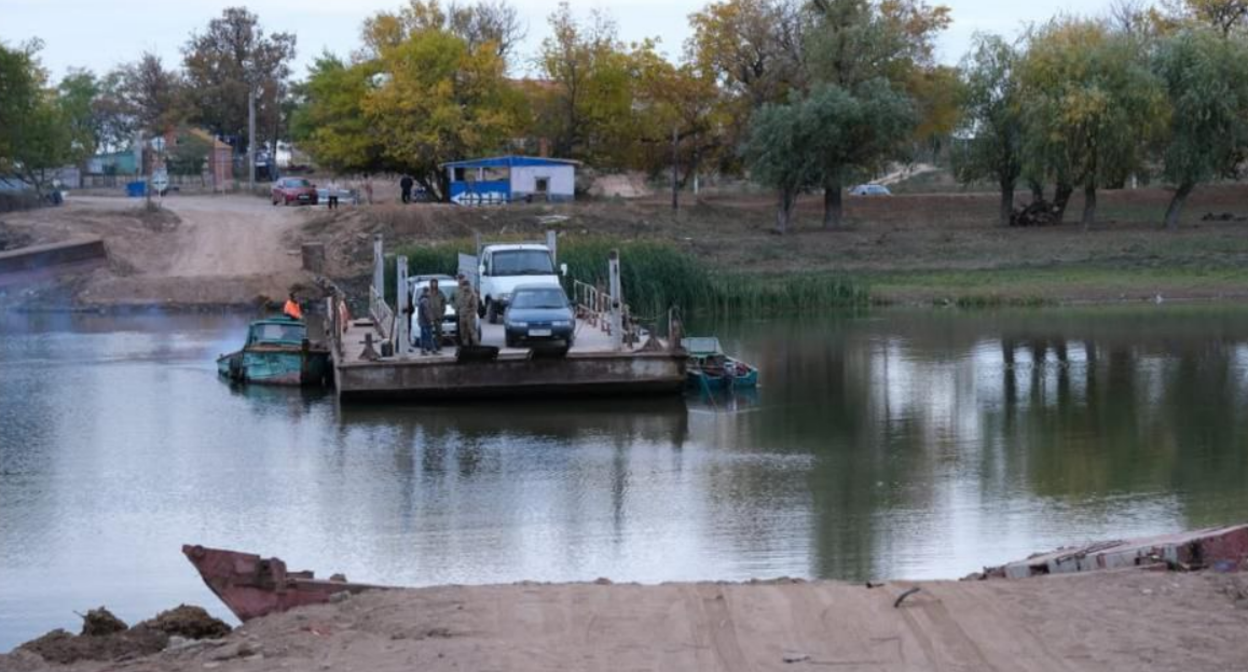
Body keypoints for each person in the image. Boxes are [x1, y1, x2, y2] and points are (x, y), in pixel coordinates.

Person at [456, 276, 479, 347]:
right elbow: (458, 304)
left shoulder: (472, 295)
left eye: (466, 285)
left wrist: (472, 315)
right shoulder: (461, 294)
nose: (465, 287)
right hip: (462, 316)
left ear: (469, 286)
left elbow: (475, 306)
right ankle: (466, 348)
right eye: (463, 285)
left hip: (469, 316)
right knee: (463, 334)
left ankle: (477, 347)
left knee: (472, 333)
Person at [427, 278, 446, 353]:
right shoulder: (428, 293)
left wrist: (442, 311)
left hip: (438, 315)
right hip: (430, 316)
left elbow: (444, 301)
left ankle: (439, 346)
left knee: (439, 332)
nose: (434, 284)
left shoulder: (440, 293)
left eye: (435, 283)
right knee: (429, 332)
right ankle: (430, 346)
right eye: (432, 283)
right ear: (431, 284)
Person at [416, 287, 433, 355]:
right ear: (427, 292)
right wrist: (430, 320)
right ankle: (427, 349)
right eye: (429, 292)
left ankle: (426, 349)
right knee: (427, 336)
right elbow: (426, 312)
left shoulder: (421, 299)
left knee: (424, 336)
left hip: (422, 321)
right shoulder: (425, 300)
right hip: (425, 322)